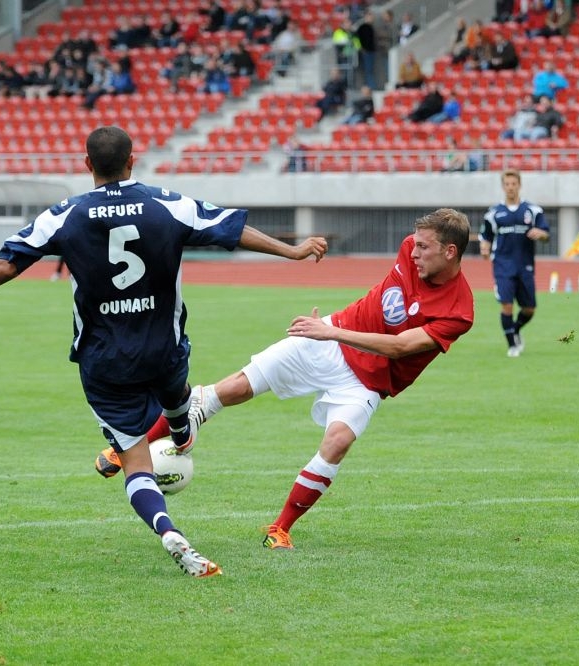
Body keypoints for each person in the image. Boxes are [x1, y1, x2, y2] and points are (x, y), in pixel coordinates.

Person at [0, 127, 329, 576]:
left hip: (104, 359)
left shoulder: (65, 214)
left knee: (134, 462)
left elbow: (9, 263)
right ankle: (182, 427)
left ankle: (168, 530)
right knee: (177, 391)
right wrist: (292, 251)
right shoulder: (167, 203)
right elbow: (232, 229)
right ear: (133, 160)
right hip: (163, 348)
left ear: (87, 164)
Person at [94, 208, 475, 551]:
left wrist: (332, 332)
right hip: (327, 341)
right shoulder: (410, 248)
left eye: (424, 247)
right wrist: (331, 333)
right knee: (235, 387)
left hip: (365, 376)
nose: (413, 252)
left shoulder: (459, 311)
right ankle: (131, 446)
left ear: (450, 252)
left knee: (338, 441)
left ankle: (280, 528)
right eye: (415, 244)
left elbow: (401, 347)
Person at [479, 168, 549, 357]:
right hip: (502, 265)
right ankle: (512, 345)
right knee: (507, 305)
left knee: (529, 309)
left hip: (525, 265)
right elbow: (486, 236)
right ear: (503, 187)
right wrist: (484, 248)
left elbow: (546, 234)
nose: (510, 187)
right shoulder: (494, 213)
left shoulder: (533, 211)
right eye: (507, 184)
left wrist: (540, 234)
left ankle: (515, 330)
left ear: (519, 185)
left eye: (514, 184)